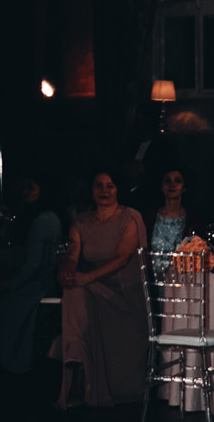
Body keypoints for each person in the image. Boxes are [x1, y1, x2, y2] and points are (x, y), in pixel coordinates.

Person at [56, 167, 146, 407]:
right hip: (93, 288)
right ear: (91, 189)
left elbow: (122, 258)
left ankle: (74, 359)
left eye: (110, 186)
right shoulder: (81, 222)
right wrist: (66, 272)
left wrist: (86, 278)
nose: (104, 190)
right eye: (99, 185)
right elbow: (72, 254)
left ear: (118, 189)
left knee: (78, 289)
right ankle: (75, 355)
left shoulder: (130, 217)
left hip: (124, 293)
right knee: (73, 290)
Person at [0, 173, 64, 375]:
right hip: (46, 282)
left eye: (30, 187)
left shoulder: (42, 220)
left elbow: (34, 264)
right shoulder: (50, 217)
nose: (24, 191)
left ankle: (10, 361)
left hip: (39, 286)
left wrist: (12, 284)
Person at [143, 168, 208, 276]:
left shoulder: (194, 220)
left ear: (184, 187)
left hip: (183, 280)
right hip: (151, 280)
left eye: (177, 181)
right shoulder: (148, 218)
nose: (172, 185)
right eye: (167, 181)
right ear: (161, 186)